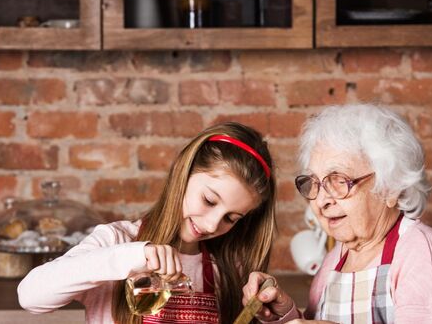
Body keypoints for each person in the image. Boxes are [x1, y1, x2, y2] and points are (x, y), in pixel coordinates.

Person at [18, 122, 276, 324]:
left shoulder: (227, 269)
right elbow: (30, 296)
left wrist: (276, 313)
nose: (211, 225)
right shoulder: (117, 242)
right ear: (181, 174)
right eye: (209, 200)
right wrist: (132, 257)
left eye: (231, 218)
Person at [242, 104, 432, 323]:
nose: (322, 201)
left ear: (390, 187)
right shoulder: (335, 259)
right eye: (314, 182)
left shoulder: (423, 254)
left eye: (339, 181)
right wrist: (286, 315)